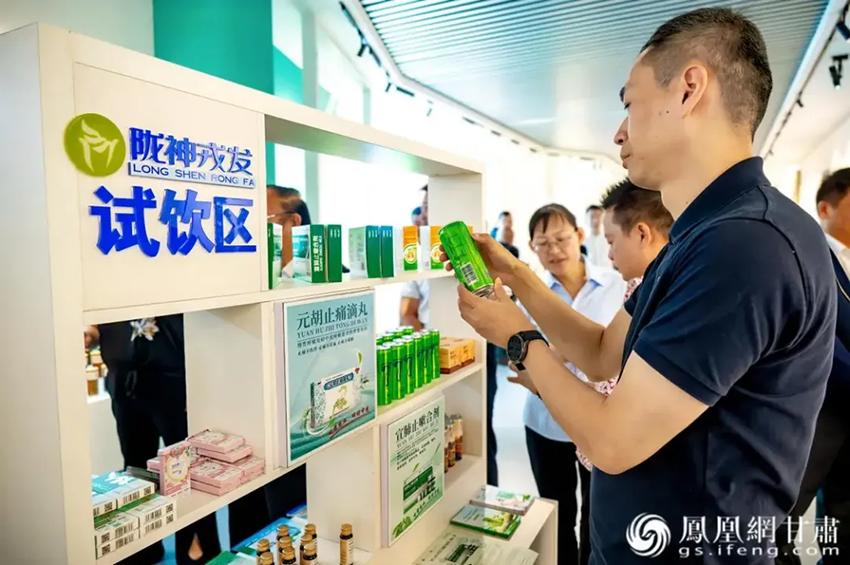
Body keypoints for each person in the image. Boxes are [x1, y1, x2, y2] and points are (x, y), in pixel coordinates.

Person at [445, 8, 835, 563]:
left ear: (689, 89)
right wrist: (517, 276)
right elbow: (603, 352)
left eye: (629, 103)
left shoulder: (744, 244)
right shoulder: (702, 234)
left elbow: (613, 441)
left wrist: (516, 336)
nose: (619, 131)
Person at [520, 204, 625, 565]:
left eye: (562, 239)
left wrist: (555, 352)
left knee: (597, 517)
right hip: (545, 422)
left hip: (599, 422)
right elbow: (517, 354)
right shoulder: (530, 293)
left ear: (579, 235)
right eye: (543, 243)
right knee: (556, 517)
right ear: (532, 248)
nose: (554, 250)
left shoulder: (616, 284)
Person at [88, 318, 221, 565]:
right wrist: (93, 330)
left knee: (186, 469)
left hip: (175, 375)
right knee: (135, 467)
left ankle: (197, 544)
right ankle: (142, 544)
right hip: (124, 377)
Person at [228, 186, 313, 546]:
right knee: (247, 530)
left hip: (300, 426)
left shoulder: (330, 276)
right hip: (246, 425)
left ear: (292, 222)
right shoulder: (241, 280)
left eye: (259, 220)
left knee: (292, 527)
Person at [775, 169, 850, 564]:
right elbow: (819, 337)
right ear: (826, 208)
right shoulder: (807, 256)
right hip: (816, 412)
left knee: (842, 519)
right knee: (780, 518)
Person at [400, 186, 431, 330]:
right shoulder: (415, 258)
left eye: (427, 207)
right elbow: (407, 314)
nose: (422, 216)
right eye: (423, 207)